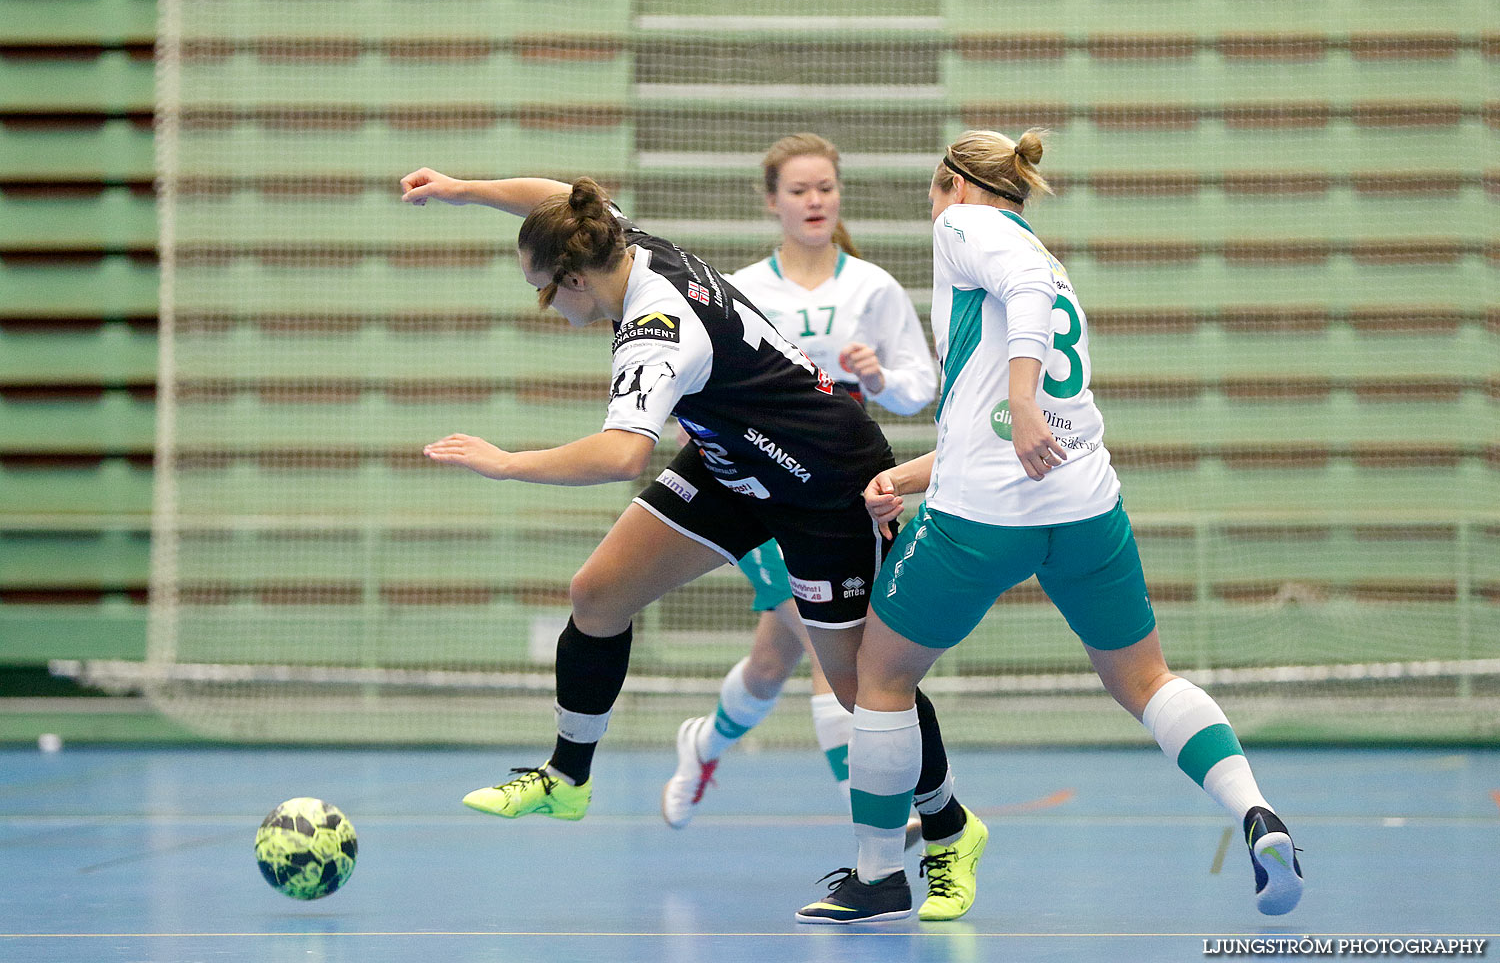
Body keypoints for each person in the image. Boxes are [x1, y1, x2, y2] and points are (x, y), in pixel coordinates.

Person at [398, 169, 974, 921]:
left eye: (545, 291)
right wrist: (464, 189)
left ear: (575, 277)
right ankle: (567, 779)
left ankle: (949, 830)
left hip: (823, 479)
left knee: (864, 688)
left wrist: (505, 462)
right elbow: (559, 197)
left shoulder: (654, 328)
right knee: (597, 596)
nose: (547, 306)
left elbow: (619, 457)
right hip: (733, 462)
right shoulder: (618, 239)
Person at [796, 129, 1305, 924]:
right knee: (1146, 683)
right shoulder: (1049, 263)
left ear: (955, 186)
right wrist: (910, 473)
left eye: (932, 194)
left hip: (984, 522)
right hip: (1083, 508)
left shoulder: (968, 229)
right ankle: (1255, 811)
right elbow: (995, 421)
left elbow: (1019, 357)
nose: (931, 210)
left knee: (879, 677)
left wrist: (1024, 400)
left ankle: (876, 875)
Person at [660, 133, 937, 833]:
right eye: (799, 190)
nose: (815, 201)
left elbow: (920, 388)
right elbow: (697, 382)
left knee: (767, 664)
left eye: (825, 188)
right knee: (830, 651)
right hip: (761, 492)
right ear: (772, 201)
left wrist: (878, 379)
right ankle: (879, 817)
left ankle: (703, 744)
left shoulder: (871, 287)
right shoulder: (742, 291)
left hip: (840, 488)